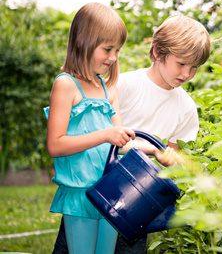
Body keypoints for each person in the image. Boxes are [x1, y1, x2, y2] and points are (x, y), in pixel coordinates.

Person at [52, 14, 211, 253]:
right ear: (158, 52)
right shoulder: (123, 85)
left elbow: (175, 157)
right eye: (181, 63)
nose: (187, 74)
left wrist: (170, 161)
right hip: (99, 188)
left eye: (194, 67)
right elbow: (94, 130)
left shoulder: (186, 108)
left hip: (138, 201)